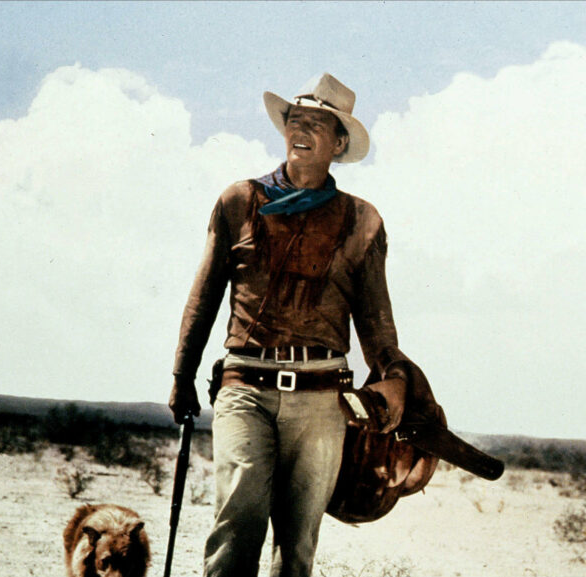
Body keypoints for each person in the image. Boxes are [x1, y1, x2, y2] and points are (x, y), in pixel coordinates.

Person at [169, 73, 438, 577]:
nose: (301, 130)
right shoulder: (238, 201)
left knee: (297, 546)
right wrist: (183, 375)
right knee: (236, 527)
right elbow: (204, 295)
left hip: (322, 397)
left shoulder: (362, 221)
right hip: (245, 386)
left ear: (339, 144)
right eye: (295, 120)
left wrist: (397, 378)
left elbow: (377, 321)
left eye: (318, 124)